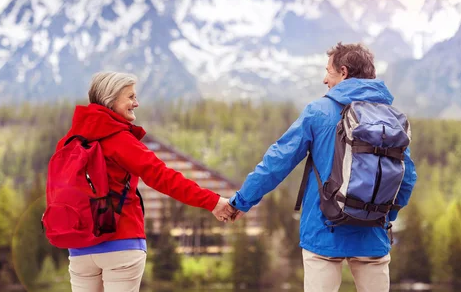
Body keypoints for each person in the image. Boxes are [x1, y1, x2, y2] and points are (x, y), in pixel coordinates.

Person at [229, 42, 417, 292]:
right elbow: (407, 178)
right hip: (373, 236)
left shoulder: (318, 112)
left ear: (343, 71)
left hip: (324, 231)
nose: (324, 79)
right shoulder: (391, 118)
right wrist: (381, 215)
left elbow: (277, 162)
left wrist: (240, 202)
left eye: (327, 71)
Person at [57, 71, 235, 292]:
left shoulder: (70, 141)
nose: (136, 103)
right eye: (130, 97)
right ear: (110, 100)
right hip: (121, 244)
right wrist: (214, 202)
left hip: (80, 248)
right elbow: (164, 178)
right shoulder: (120, 140)